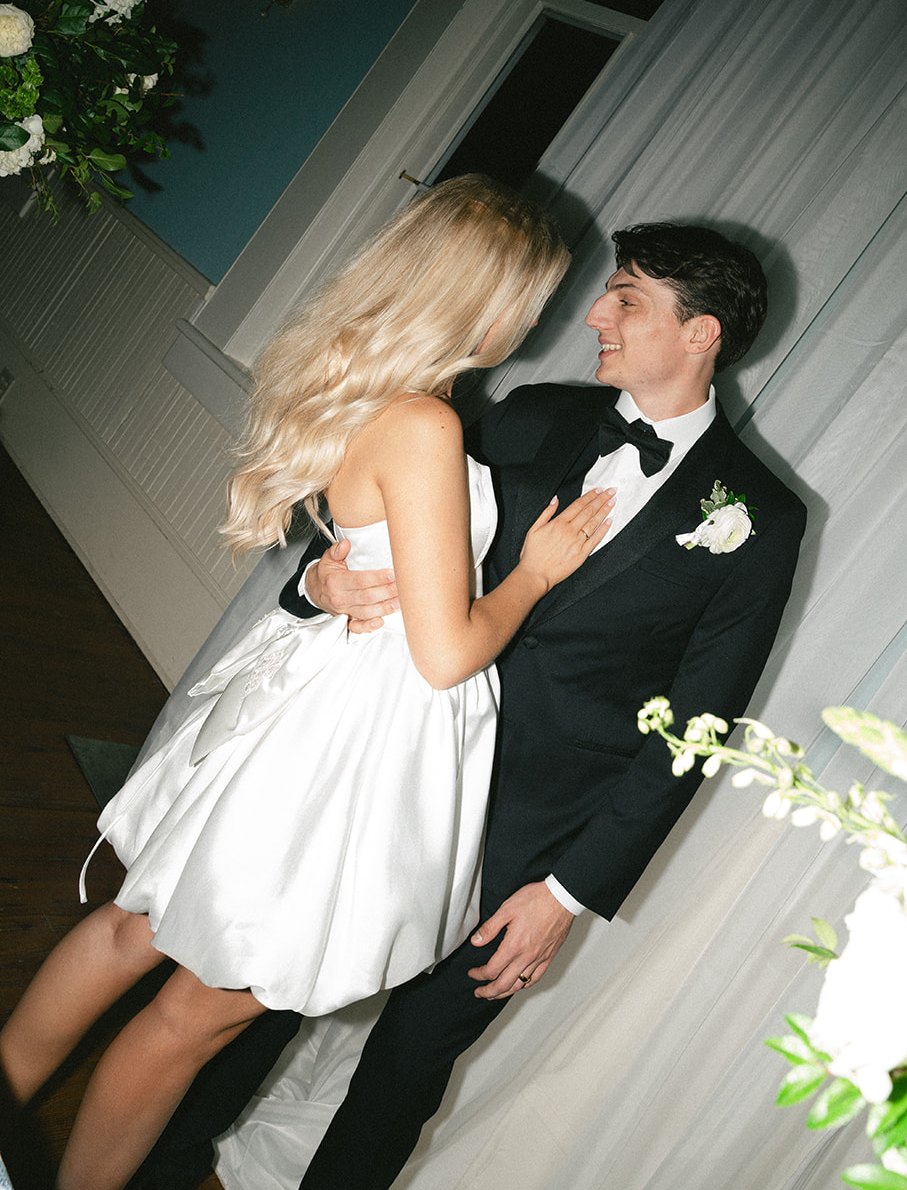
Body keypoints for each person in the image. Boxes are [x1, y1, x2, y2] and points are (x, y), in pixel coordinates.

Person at [130, 218, 808, 1190]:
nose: (594, 313)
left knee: (403, 1068)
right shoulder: (530, 413)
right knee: (256, 993)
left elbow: (695, 727)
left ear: (700, 333)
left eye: (627, 298)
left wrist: (567, 893)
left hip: (527, 839)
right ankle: (158, 1164)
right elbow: (355, 520)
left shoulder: (760, 519)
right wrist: (311, 589)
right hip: (384, 766)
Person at [0, 175, 615, 1190]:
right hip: (351, 745)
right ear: (484, 298)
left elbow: (363, 561)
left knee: (129, 929)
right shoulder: (423, 423)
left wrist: (328, 582)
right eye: (533, 293)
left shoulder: (376, 393)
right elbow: (448, 652)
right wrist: (534, 575)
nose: (537, 316)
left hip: (312, 705)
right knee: (198, 1011)